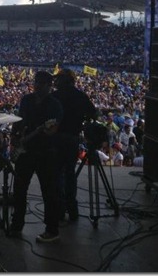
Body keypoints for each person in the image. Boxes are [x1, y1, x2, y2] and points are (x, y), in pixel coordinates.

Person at [9, 71, 63, 243]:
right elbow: (19, 120)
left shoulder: (55, 105)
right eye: (36, 82)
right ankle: (16, 225)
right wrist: (14, 137)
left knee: (49, 192)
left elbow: (53, 129)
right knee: (19, 190)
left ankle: (52, 229)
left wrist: (46, 131)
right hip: (25, 151)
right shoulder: (26, 100)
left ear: (49, 86)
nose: (37, 85)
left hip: (45, 153)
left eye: (41, 83)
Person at [51, 68, 97, 221]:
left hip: (57, 138)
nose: (55, 82)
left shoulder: (55, 96)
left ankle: (58, 209)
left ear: (66, 80)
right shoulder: (80, 96)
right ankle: (72, 209)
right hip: (72, 138)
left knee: (56, 173)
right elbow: (93, 113)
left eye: (58, 79)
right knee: (70, 173)